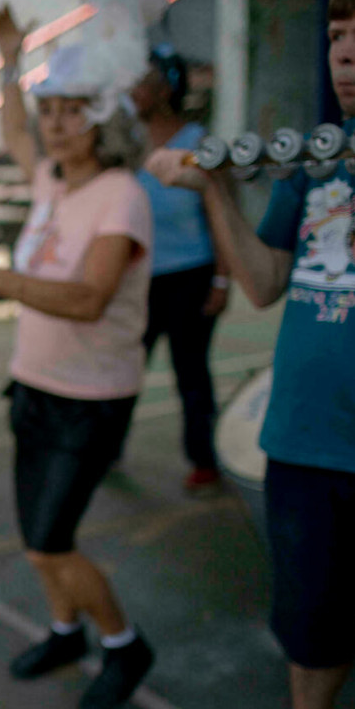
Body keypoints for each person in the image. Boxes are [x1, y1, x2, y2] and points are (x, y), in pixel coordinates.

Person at [145, 0, 355, 709]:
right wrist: (215, 186)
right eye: (336, 37)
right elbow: (259, 282)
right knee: (311, 627)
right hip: (301, 448)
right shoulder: (316, 170)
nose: (344, 55)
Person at [0, 5, 154, 709]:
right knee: (41, 541)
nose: (55, 123)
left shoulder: (119, 196)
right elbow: (10, 132)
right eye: (50, 110)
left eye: (72, 112)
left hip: (88, 400)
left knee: (47, 541)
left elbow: (90, 298)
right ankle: (66, 629)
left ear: (102, 120)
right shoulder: (53, 182)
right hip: (33, 387)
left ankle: (124, 645)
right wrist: (9, 62)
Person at [130, 44, 231, 492]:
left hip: (192, 274)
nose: (132, 89)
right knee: (125, 368)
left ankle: (204, 459)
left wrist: (222, 278)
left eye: (142, 80)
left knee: (191, 372)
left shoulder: (198, 142)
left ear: (166, 87)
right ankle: (103, 449)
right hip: (137, 278)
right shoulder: (126, 144)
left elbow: (223, 212)